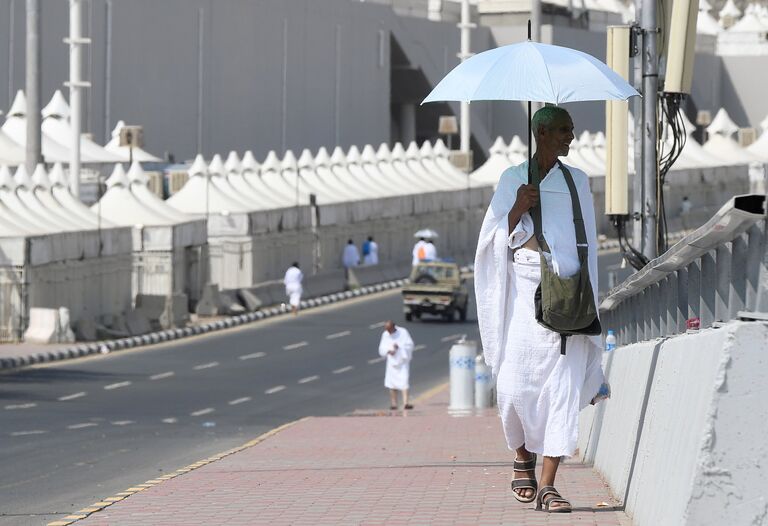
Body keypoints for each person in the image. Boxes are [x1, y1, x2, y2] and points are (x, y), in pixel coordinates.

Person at [474, 106, 606, 513]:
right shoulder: (513, 179)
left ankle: (549, 484)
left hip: (567, 299)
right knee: (514, 387)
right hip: (524, 299)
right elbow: (492, 240)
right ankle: (522, 456)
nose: (572, 136)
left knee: (562, 393)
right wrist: (517, 207)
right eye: (564, 130)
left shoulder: (577, 181)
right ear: (542, 132)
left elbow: (587, 245)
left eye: (571, 129)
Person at [378, 320, 415, 410]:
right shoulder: (385, 335)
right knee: (391, 383)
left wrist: (399, 347)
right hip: (392, 362)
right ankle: (394, 404)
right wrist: (388, 351)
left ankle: (406, 403)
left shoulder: (403, 332)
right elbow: (382, 348)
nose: (389, 332)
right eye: (387, 330)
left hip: (402, 361)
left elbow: (410, 345)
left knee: (404, 381)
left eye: (390, 330)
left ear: (394, 327)